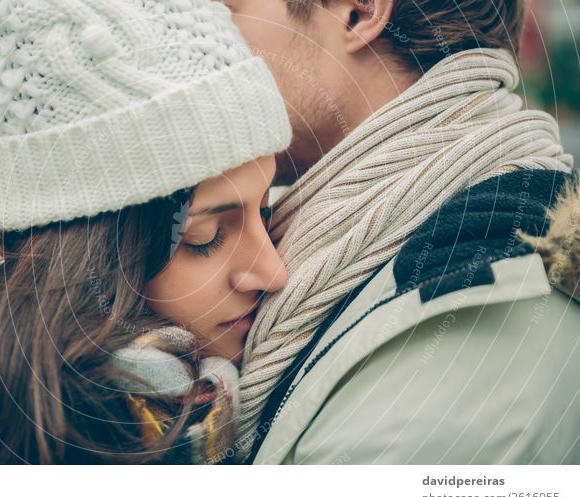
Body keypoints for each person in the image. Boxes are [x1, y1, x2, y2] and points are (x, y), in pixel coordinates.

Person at [0, 0, 292, 464]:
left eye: (266, 209)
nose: (273, 272)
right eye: (207, 235)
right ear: (86, 247)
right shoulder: (46, 434)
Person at [220, 0, 580, 463]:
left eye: (228, 11)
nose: (205, 46)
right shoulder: (446, 256)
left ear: (360, 11)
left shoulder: (472, 328)